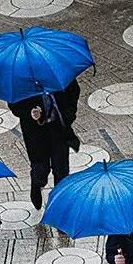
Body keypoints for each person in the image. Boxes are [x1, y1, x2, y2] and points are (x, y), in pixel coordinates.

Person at [8, 81, 81, 210]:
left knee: (61, 169)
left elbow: (73, 90)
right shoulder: (20, 79)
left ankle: (60, 206)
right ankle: (36, 185)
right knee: (40, 168)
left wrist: (68, 115)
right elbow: (14, 104)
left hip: (58, 129)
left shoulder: (56, 70)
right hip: (35, 132)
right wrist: (29, 112)